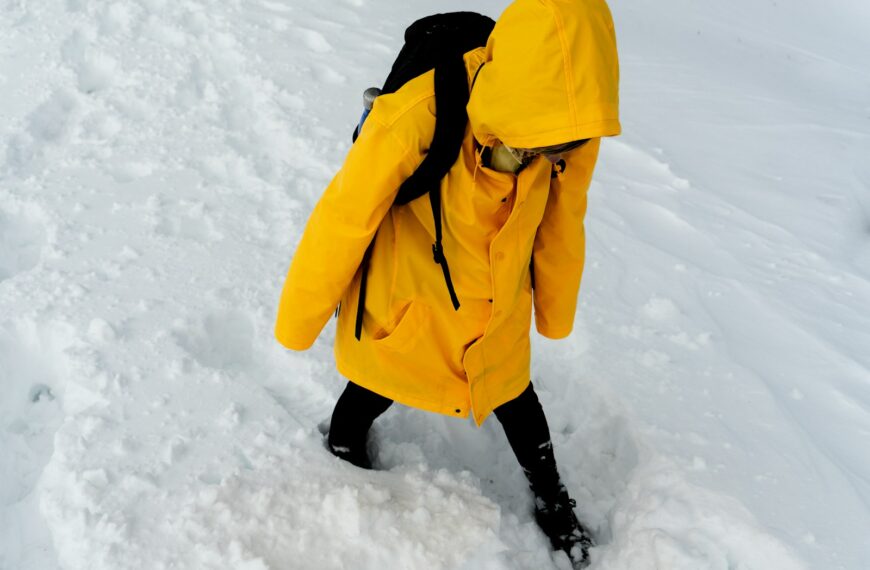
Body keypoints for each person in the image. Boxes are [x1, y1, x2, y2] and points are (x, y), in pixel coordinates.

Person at [275, 0, 620, 565]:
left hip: (494, 300)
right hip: (411, 283)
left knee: (512, 390)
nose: (552, 154)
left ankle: (552, 497)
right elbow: (342, 219)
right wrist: (299, 322)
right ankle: (342, 451)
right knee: (375, 383)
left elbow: (563, 221)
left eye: (560, 145)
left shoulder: (572, 133)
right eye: (540, 143)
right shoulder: (418, 115)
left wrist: (552, 311)